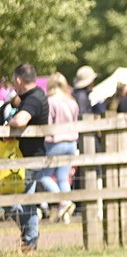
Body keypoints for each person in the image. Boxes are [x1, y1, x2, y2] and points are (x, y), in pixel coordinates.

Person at [5, 64, 49, 251]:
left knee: (18, 201)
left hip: (29, 158)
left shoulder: (34, 98)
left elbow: (20, 120)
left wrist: (9, 123)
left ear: (18, 80)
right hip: (23, 158)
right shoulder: (33, 96)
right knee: (22, 200)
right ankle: (29, 240)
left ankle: (29, 240)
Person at [38, 73, 80, 222]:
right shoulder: (72, 102)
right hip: (71, 142)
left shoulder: (51, 102)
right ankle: (66, 214)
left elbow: (48, 125)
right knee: (63, 178)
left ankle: (64, 201)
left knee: (43, 176)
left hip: (55, 142)